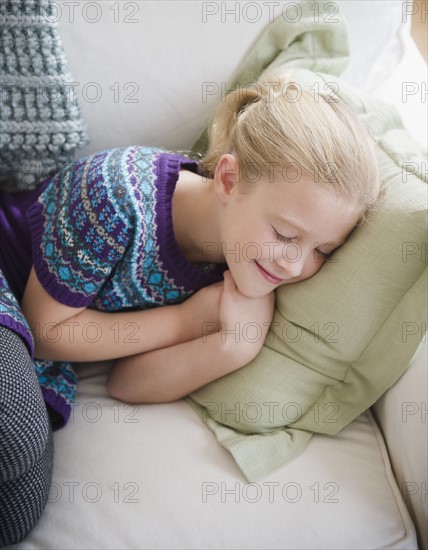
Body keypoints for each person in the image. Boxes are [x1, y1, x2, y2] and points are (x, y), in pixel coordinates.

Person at [0, 76, 381, 544]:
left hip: (38, 354)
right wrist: (185, 321)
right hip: (13, 292)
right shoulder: (115, 197)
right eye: (285, 235)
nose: (295, 264)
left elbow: (127, 382)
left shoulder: (244, 261)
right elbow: (47, 330)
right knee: (13, 437)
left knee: (16, 514)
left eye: (322, 249)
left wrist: (229, 346)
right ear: (227, 179)